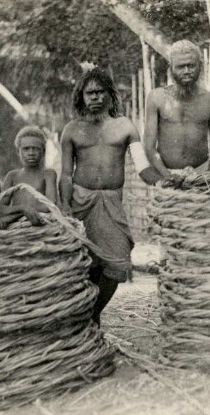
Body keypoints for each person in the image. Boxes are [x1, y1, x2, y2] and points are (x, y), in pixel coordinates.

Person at [60, 67, 141, 327]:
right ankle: (88, 323)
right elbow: (64, 175)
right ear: (81, 97)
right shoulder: (72, 130)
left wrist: (166, 180)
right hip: (80, 202)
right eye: (89, 93)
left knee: (117, 263)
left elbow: (143, 165)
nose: (94, 97)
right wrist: (64, 206)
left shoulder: (124, 126)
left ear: (110, 95)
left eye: (99, 92)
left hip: (112, 201)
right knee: (86, 263)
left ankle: (94, 315)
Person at [142, 39, 210, 185]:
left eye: (191, 65)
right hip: (166, 174)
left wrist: (209, 177)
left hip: (201, 175)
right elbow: (149, 147)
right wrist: (167, 176)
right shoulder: (156, 98)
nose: (186, 71)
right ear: (171, 68)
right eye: (180, 67)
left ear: (200, 66)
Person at [0, 125, 58, 229]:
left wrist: (16, 215)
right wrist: (23, 208)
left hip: (42, 225)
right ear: (17, 151)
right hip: (17, 228)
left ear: (43, 151)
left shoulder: (48, 174)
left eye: (35, 149)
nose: (31, 153)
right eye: (26, 149)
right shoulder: (12, 176)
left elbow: (50, 205)